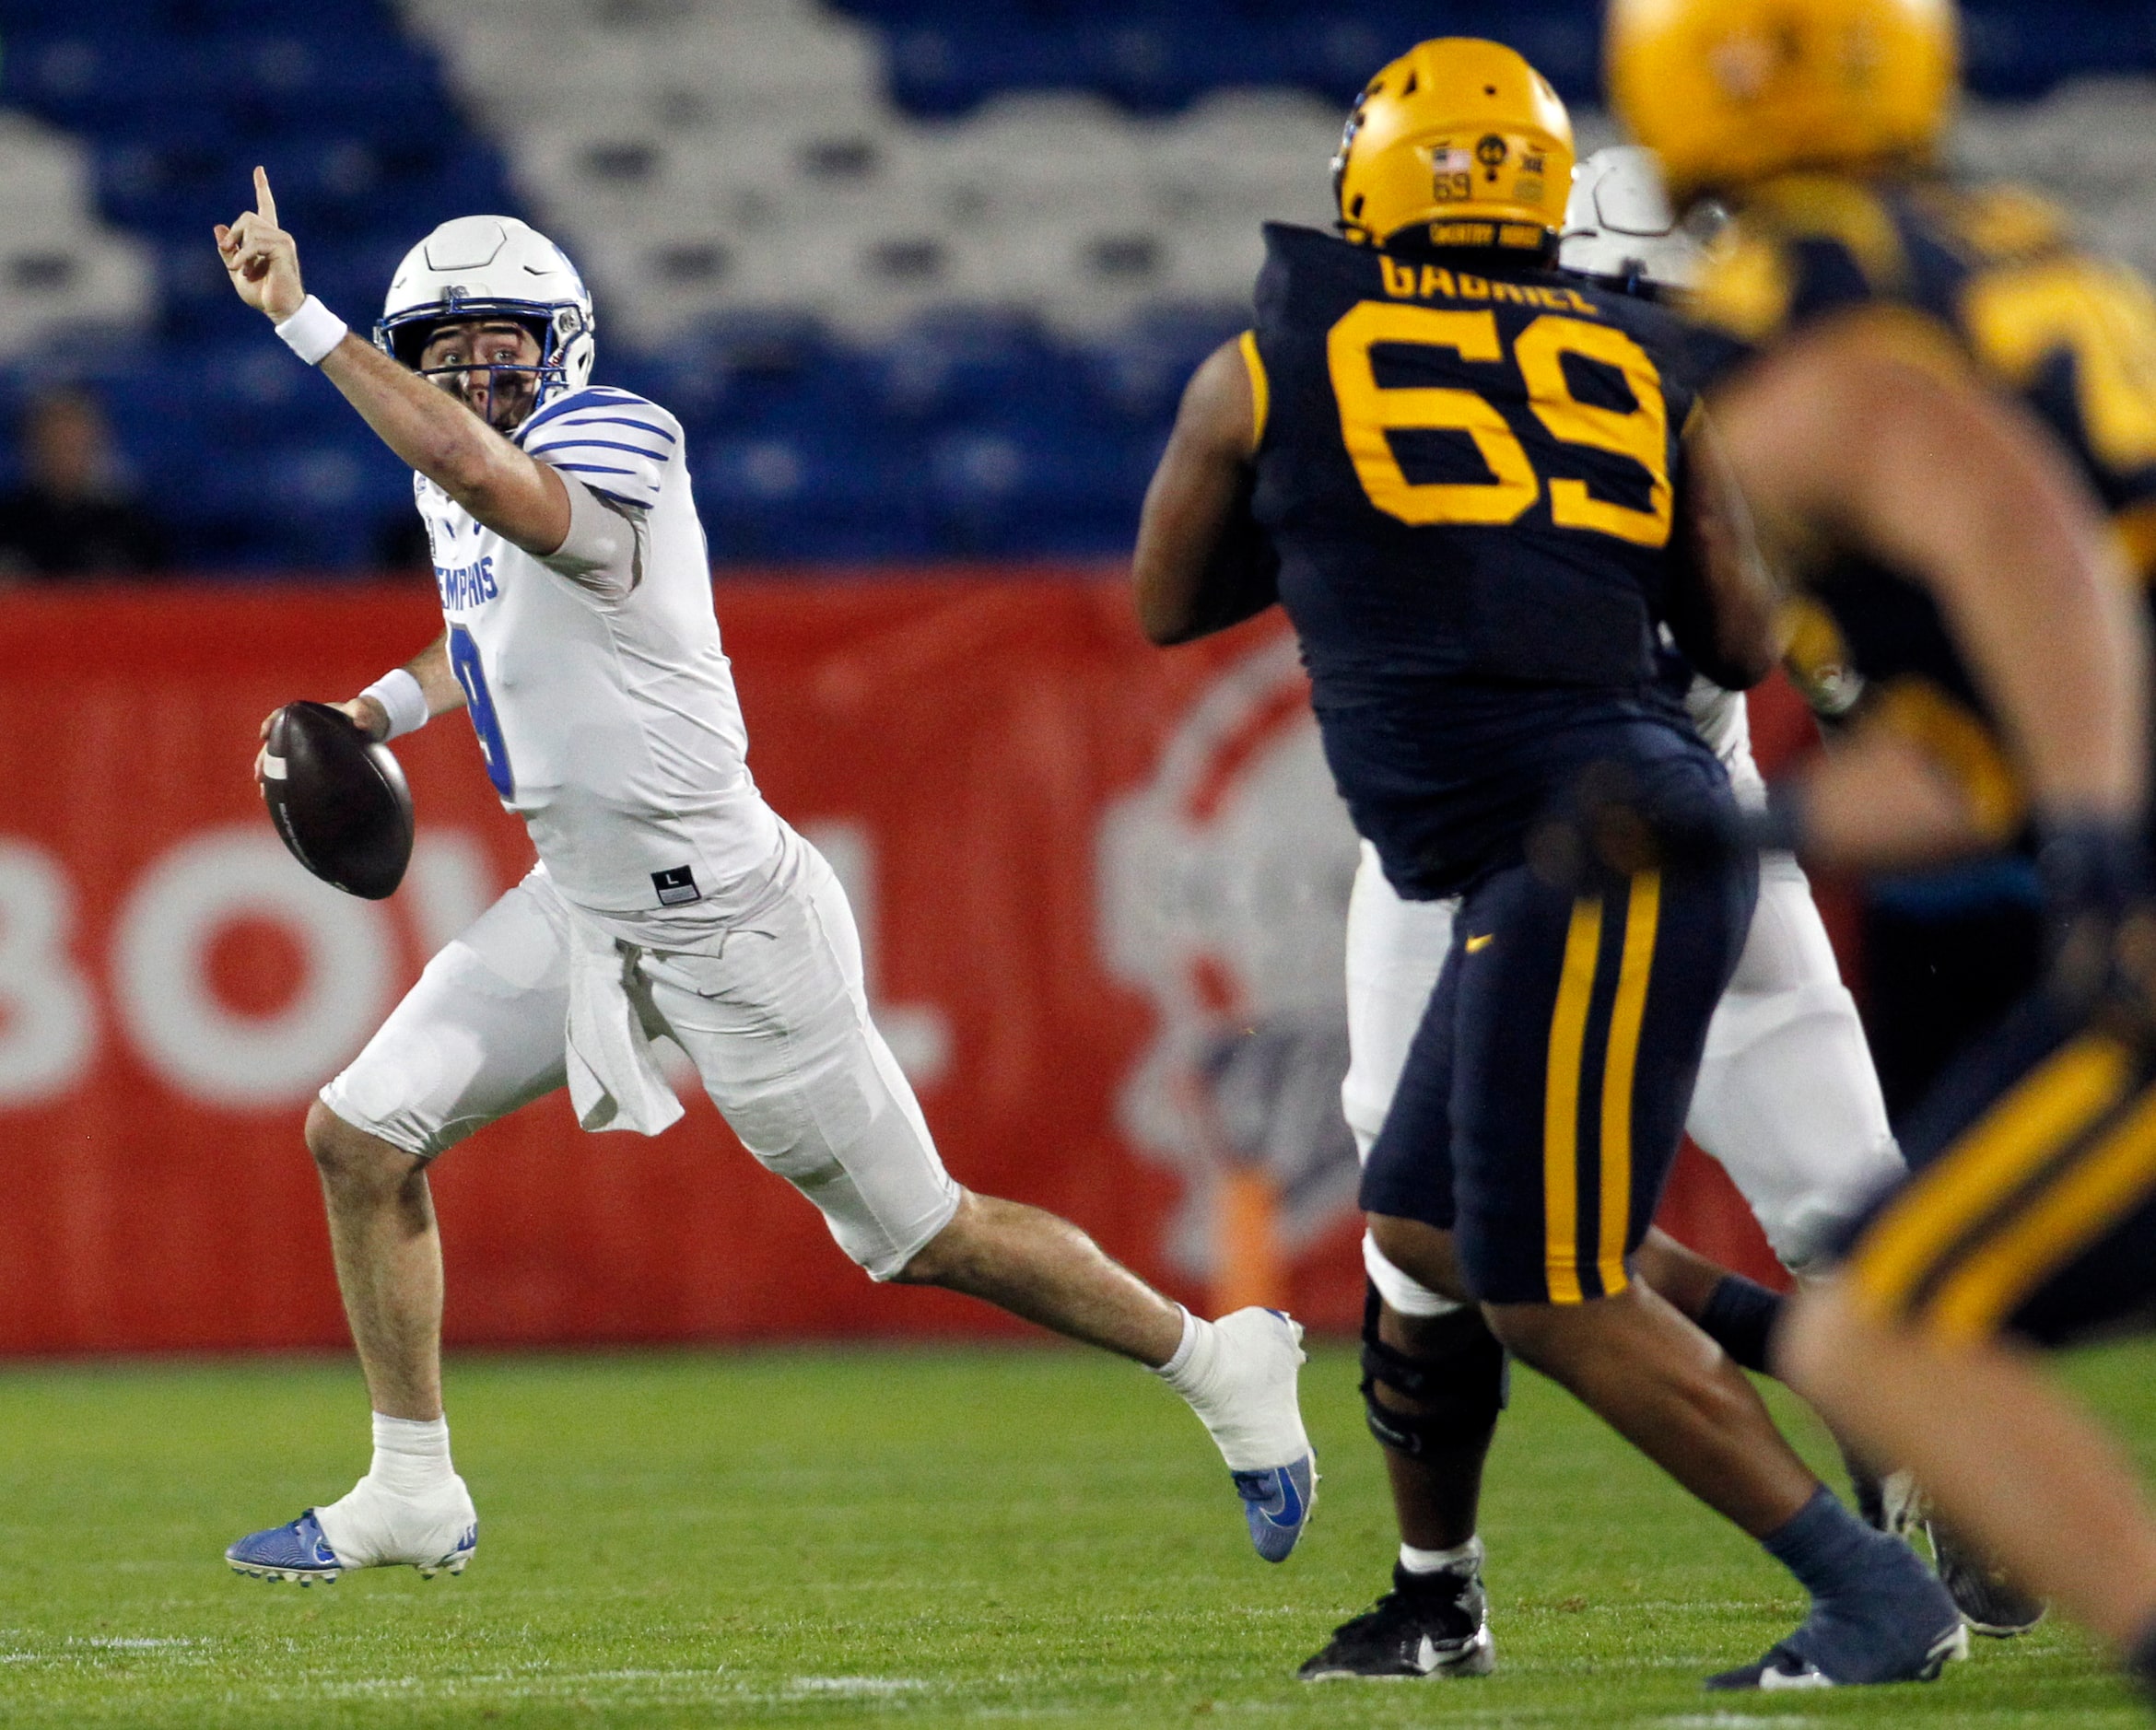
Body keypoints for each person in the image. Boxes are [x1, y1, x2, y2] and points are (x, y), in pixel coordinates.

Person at [209, 169, 1315, 1585]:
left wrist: (306, 321)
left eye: (504, 349)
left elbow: (498, 485)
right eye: (448, 355)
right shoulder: (459, 477)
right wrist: (374, 711)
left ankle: (1220, 1359)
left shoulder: (617, 434)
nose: (478, 380)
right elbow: (480, 624)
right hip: (582, 902)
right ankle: (411, 1487)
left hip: (723, 916)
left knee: (924, 1234)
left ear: (565, 353)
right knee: (359, 1136)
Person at [1132, 39, 1960, 1690]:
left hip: (1592, 837)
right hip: (1561, 827)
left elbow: (1168, 601)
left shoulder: (1276, 360)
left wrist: (1350, 510)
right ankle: (1473, 1574)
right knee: (1427, 1223)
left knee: (1546, 1275)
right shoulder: (1653, 364)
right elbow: (1741, 628)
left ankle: (1878, 1587)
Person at [1606, 0, 2156, 1695]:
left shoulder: (1793, 309)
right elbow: (1975, 738)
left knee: (1892, 1330)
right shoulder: (2018, 255)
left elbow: (2007, 523)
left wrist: (2099, 851)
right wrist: (1752, 827)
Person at [0, 386, 167, 578]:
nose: (62, 453)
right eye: (53, 441)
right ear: (30, 445)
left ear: (94, 444)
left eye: (72, 444)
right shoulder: (7, 524)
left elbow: (161, 595)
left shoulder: (128, 526)